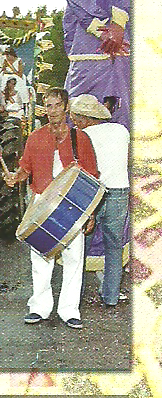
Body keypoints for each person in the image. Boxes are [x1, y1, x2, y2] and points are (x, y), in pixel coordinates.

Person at [5, 87, 99, 329]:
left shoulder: (81, 138)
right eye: (49, 106)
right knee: (40, 257)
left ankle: (70, 310)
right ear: (44, 108)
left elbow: (92, 177)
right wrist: (15, 177)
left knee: (74, 258)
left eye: (58, 105)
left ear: (66, 107)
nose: (53, 110)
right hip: (42, 202)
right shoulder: (35, 137)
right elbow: (25, 168)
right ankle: (39, 307)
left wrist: (90, 213)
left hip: (73, 205)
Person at [69, 94, 130, 306]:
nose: (74, 122)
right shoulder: (122, 131)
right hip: (119, 191)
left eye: (76, 118)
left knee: (81, 247)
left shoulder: (80, 136)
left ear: (85, 118)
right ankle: (111, 297)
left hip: (92, 192)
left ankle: (75, 296)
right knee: (114, 247)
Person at [63, 0, 130, 128]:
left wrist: (118, 22)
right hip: (89, 53)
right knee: (76, 115)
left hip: (116, 52)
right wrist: (106, 28)